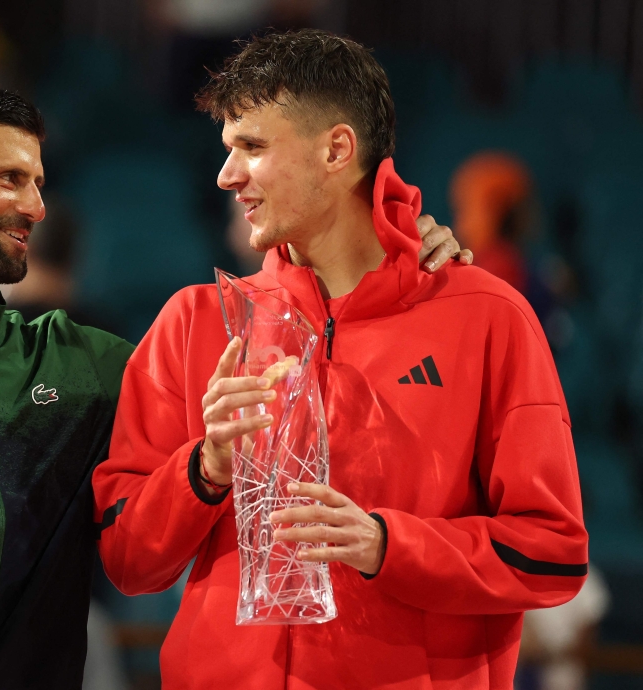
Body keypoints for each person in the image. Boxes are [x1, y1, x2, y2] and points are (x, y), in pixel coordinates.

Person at [0, 81, 464, 689]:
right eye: (8, 179)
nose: (35, 204)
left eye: (37, 180)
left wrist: (399, 254)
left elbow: (285, 356)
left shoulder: (79, 362)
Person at [93, 29, 588, 690]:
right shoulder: (194, 322)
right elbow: (128, 561)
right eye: (226, 149)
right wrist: (205, 469)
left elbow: (550, 554)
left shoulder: (487, 317)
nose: (226, 175)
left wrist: (389, 546)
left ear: (336, 149)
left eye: (253, 147)